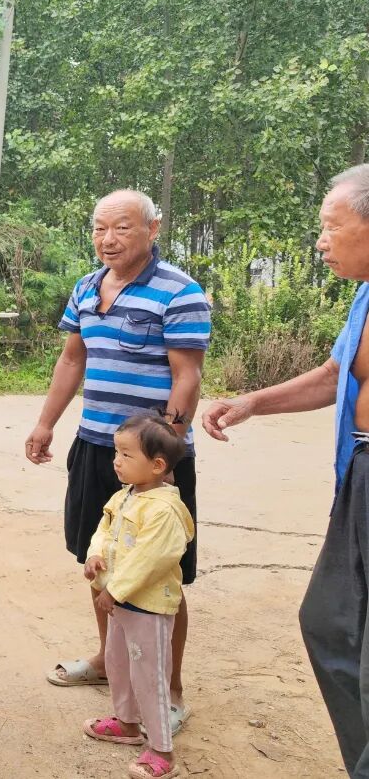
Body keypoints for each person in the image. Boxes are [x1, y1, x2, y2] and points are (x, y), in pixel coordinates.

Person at [202, 164, 369, 777]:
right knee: (329, 624)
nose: (320, 241)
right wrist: (253, 402)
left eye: (330, 226)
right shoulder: (365, 294)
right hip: (359, 473)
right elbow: (334, 375)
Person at [24, 189, 210, 732]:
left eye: (122, 227)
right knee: (99, 557)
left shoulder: (180, 292)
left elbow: (187, 376)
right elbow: (72, 359)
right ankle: (110, 662)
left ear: (153, 228)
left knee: (160, 574)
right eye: (100, 228)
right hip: (96, 449)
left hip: (154, 461)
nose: (108, 239)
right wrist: (45, 422)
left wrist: (163, 454)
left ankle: (170, 690)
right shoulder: (86, 287)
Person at [82, 415, 194, 779]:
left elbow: (152, 558)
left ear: (157, 465)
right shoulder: (125, 496)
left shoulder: (163, 510)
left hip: (147, 608)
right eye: (117, 452)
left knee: (149, 676)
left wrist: (114, 590)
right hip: (121, 605)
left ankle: (162, 750)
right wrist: (94, 555)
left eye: (126, 455)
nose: (116, 461)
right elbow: (104, 530)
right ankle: (127, 723)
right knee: (118, 664)